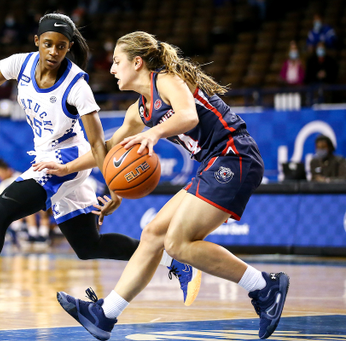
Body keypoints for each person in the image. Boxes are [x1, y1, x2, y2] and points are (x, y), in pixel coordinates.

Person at [0, 14, 188, 332]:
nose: (54, 51)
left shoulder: (76, 85)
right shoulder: (19, 65)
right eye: (49, 44)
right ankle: (172, 260)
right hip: (46, 157)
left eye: (62, 46)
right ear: (37, 41)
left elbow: (97, 142)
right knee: (88, 247)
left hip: (66, 161)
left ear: (68, 49)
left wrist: (114, 189)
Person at [43, 32, 289, 340]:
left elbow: (187, 115)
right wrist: (66, 167)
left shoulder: (167, 80)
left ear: (137, 62)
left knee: (178, 244)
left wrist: (154, 134)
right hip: (213, 164)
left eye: (117, 62)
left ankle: (265, 287)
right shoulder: (139, 110)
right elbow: (107, 148)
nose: (112, 69)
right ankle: (105, 315)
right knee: (153, 234)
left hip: (235, 156)